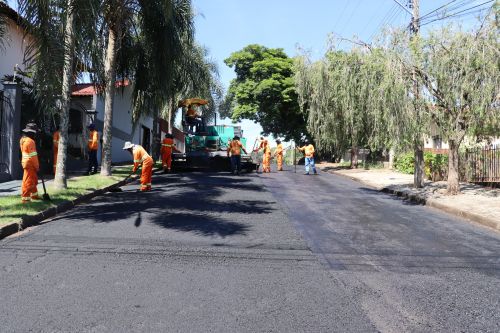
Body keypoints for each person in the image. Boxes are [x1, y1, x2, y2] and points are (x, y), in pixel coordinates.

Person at [19, 123, 40, 203]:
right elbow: (33, 156)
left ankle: (34, 195)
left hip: (25, 162)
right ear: (31, 132)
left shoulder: (22, 140)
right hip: (30, 164)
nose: (35, 134)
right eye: (35, 132)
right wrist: (37, 166)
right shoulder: (30, 142)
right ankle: (25, 199)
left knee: (33, 180)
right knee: (28, 181)